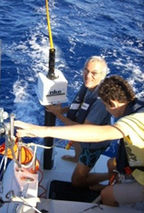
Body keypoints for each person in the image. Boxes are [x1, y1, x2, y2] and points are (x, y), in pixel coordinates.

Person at [15, 75, 144, 207]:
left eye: (106, 106)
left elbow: (100, 133)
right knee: (112, 163)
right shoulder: (138, 106)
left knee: (106, 195)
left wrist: (43, 130)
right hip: (136, 167)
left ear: (113, 104)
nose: (106, 110)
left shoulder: (134, 120)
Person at [46, 56, 112, 189]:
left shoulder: (101, 101)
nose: (88, 76)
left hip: (93, 144)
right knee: (74, 132)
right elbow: (80, 106)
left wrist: (58, 114)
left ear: (103, 75)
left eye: (94, 73)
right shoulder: (89, 85)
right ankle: (77, 157)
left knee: (77, 181)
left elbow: (83, 130)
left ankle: (110, 175)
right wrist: (62, 110)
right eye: (86, 71)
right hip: (84, 132)